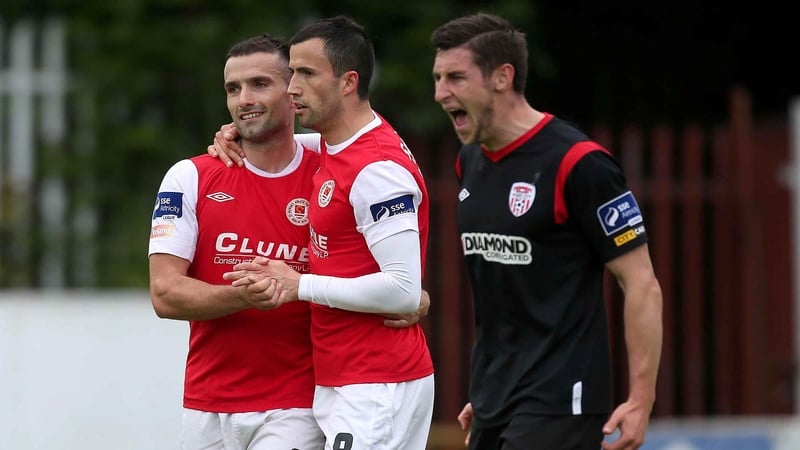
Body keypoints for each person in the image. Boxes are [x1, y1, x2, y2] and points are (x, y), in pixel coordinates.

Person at [148, 33, 427, 450]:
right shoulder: (190, 176)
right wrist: (249, 295)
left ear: (292, 93)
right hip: (206, 404)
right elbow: (165, 295)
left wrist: (414, 293)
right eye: (232, 88)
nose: (244, 99)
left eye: (261, 84)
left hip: (298, 405)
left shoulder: (333, 165)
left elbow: (397, 250)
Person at [430, 13, 663, 450]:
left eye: (456, 77)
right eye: (438, 78)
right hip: (495, 400)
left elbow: (642, 285)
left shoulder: (579, 164)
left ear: (503, 76)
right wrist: (487, 390)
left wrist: (641, 398)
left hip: (562, 400)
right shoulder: (472, 162)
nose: (441, 92)